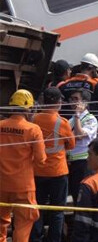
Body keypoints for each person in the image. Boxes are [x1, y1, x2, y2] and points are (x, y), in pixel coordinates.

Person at [0, 89, 46, 242]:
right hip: (23, 186)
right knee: (23, 223)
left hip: (1, 184)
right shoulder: (33, 129)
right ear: (29, 108)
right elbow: (41, 160)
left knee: (0, 223)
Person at [31, 87, 75, 242]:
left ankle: (35, 238)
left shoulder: (34, 119)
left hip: (38, 171)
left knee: (38, 207)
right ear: (58, 103)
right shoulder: (62, 122)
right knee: (57, 210)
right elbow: (71, 144)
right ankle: (54, 239)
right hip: (58, 172)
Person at [66, 89, 98, 204]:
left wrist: (77, 115)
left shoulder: (90, 119)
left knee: (82, 196)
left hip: (83, 162)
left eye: (76, 99)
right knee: (74, 194)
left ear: (84, 103)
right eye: (71, 99)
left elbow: (79, 135)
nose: (72, 102)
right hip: (71, 162)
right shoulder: (71, 120)